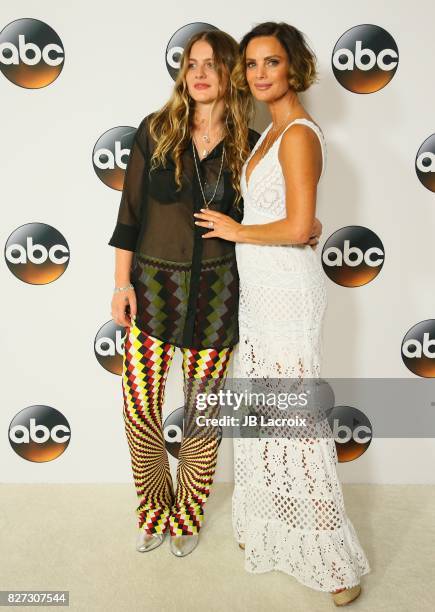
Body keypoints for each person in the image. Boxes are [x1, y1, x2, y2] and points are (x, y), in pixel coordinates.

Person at [109, 28, 323, 559]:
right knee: (140, 410)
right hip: (153, 292)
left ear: (229, 74)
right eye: (191, 63)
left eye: (212, 64)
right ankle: (154, 507)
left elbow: (279, 213)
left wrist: (309, 224)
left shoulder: (251, 146)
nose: (199, 73)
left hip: (219, 298)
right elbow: (129, 216)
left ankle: (188, 513)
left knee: (205, 420)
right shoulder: (155, 132)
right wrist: (120, 284)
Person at [194, 22, 370, 606]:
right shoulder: (269, 135)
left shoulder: (296, 134)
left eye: (271, 62)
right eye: (250, 64)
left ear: (293, 68)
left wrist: (237, 229)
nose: (259, 73)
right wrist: (296, 227)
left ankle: (335, 564)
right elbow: (299, 218)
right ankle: (272, 528)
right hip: (260, 292)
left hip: (288, 296)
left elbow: (296, 229)